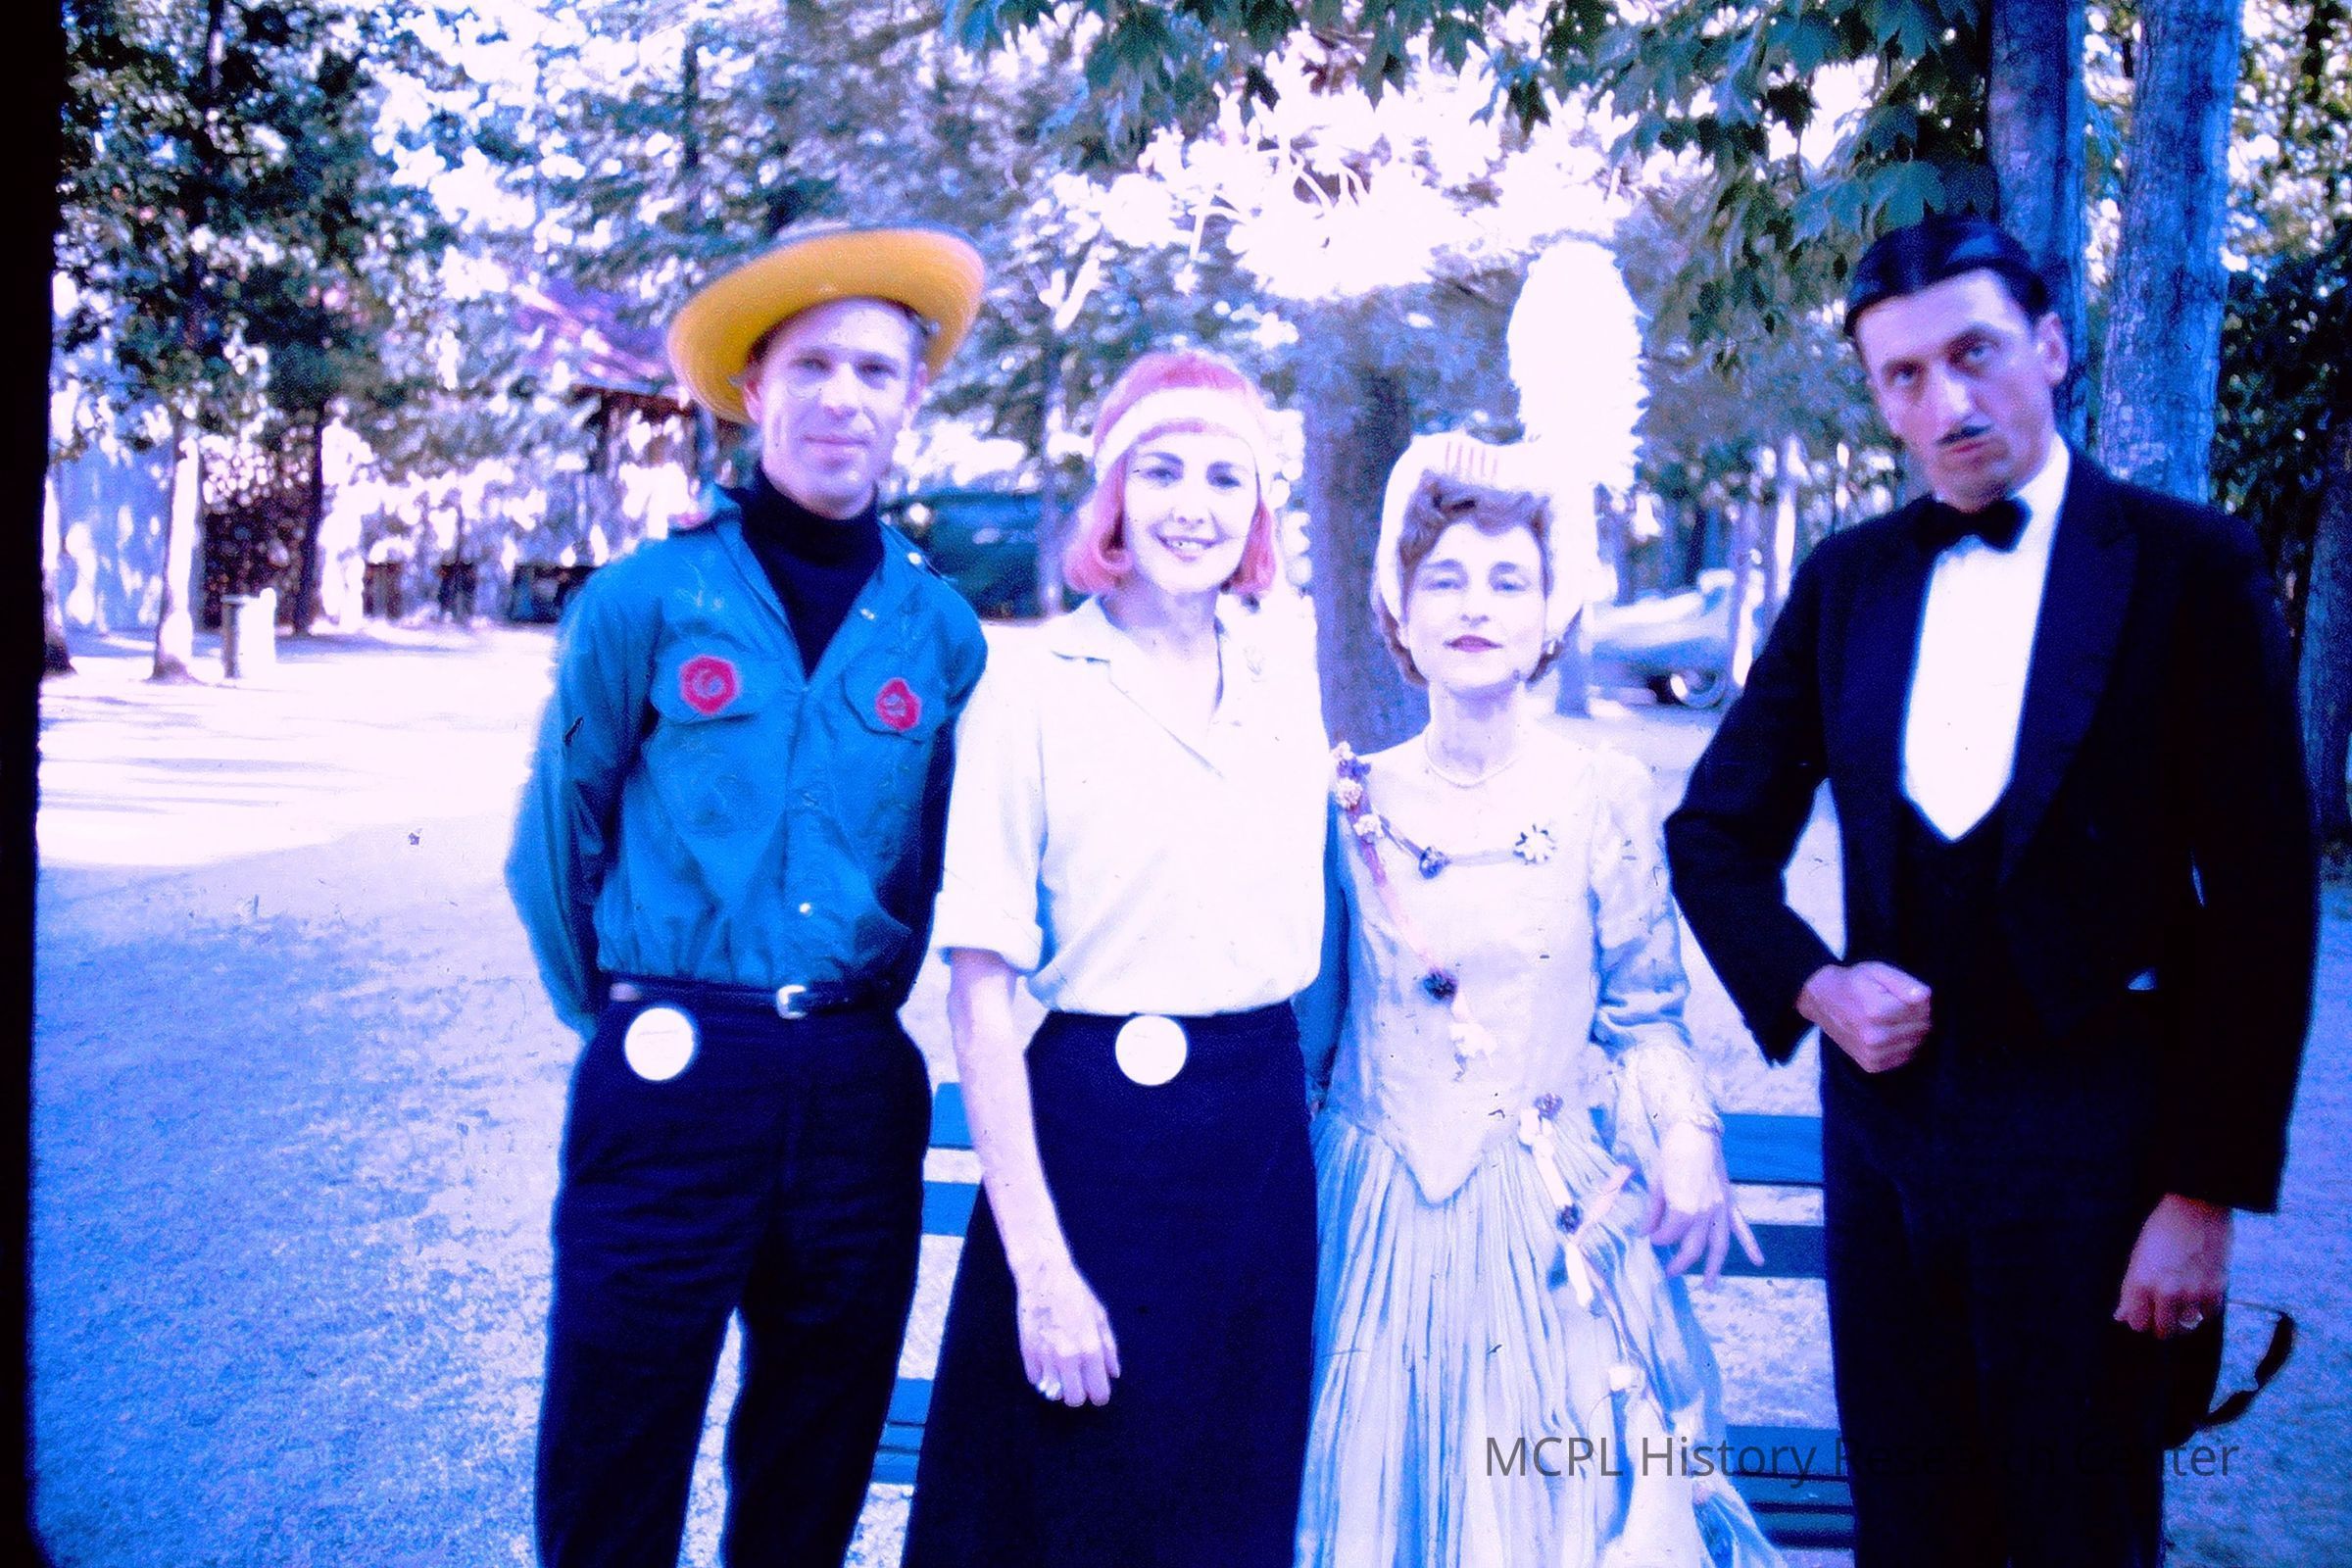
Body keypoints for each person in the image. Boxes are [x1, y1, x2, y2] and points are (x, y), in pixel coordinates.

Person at [1664, 215, 2318, 1567]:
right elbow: (1712, 833)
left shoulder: (2191, 567)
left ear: (2052, 347)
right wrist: (1814, 982)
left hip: (2101, 1160)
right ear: (1878, 398)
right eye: (1903, 376)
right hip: (1889, 1153)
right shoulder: (1847, 583)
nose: (1947, 404)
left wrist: (2201, 1197)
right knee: (1911, 1538)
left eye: (1976, 354)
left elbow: (2263, 905)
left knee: (2084, 1536)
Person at [506, 221, 990, 1568]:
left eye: (876, 371)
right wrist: (635, 1018)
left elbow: (938, 858)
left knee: (815, 1453)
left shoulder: (942, 634)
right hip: (671, 1066)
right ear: (753, 387)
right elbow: (555, 840)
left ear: (911, 398)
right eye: (812, 365)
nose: (844, 397)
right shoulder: (644, 599)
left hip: (854, 1078)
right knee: (614, 1442)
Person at [1294, 433, 1784, 1568]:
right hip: (1370, 1222)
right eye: (1445, 579)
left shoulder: (1604, 790)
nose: (1476, 606)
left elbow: (1645, 1013)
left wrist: (1688, 1134)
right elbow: (1313, 1045)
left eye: (1508, 581)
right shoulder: (1346, 800)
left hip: (1551, 1214)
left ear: (1549, 613)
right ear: (1399, 608)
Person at [901, 350, 1328, 1568]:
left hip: (1256, 1143)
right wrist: (1041, 1269)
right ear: (1114, 497)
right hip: (1092, 1147)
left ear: (1261, 504)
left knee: (1228, 1518)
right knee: (1070, 1507)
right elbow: (979, 1000)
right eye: (1162, 471)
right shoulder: (1032, 689)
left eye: (1227, 477)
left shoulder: (1284, 675)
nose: (1195, 505)